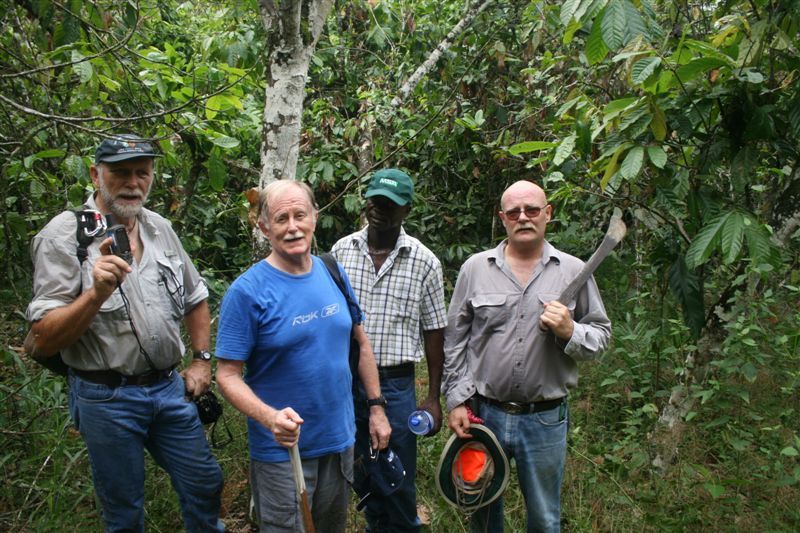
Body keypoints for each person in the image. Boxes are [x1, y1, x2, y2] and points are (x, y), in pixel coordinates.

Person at [26, 134, 224, 532]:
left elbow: (195, 297)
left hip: (169, 388)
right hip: (106, 396)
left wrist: (201, 363)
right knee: (124, 508)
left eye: (142, 173)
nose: (133, 183)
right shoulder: (65, 236)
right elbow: (43, 338)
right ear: (96, 174)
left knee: (205, 481)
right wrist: (96, 294)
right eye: (120, 173)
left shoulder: (158, 227)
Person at [214, 180, 391, 533]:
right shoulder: (247, 292)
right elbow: (227, 375)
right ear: (264, 227)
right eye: (281, 218)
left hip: (339, 439)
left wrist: (376, 407)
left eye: (300, 215)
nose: (293, 226)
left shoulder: (332, 272)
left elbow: (361, 344)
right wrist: (269, 417)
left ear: (314, 216)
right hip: (283, 451)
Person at [442, 180, 612, 532]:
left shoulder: (573, 271)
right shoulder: (475, 269)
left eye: (532, 210)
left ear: (547, 214)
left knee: (545, 518)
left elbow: (601, 336)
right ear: (502, 217)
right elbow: (455, 340)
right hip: (484, 414)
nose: (523, 217)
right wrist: (457, 400)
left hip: (545, 418)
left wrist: (570, 331)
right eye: (514, 212)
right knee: (482, 510)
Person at [331, 169, 447, 532]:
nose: (380, 210)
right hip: (347, 377)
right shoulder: (340, 252)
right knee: (359, 469)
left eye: (390, 204)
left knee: (395, 471)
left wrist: (432, 397)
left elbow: (435, 332)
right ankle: (376, 525)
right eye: (375, 200)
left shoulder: (424, 261)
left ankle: (402, 525)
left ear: (406, 210)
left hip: (396, 384)